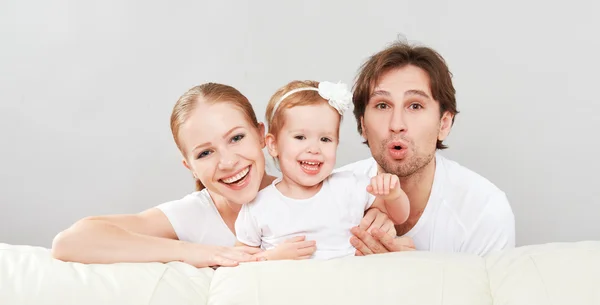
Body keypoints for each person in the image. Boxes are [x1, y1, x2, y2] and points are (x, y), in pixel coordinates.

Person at [51, 82, 402, 268]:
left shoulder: (320, 187)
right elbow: (72, 241)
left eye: (236, 138)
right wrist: (200, 253)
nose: (228, 162)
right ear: (190, 166)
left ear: (264, 136)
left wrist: (378, 214)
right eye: (205, 153)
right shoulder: (195, 214)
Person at [343, 40, 516, 256]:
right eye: (382, 105)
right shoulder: (328, 195)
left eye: (415, 106)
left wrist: (413, 271)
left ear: (443, 124)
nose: (397, 125)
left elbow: (482, 291)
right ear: (362, 126)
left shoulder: (483, 209)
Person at [234, 80, 410, 260]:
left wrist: (393, 195)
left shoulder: (349, 185)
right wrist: (271, 257)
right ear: (273, 145)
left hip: (347, 284)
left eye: (325, 139)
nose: (314, 148)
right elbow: (242, 260)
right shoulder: (259, 206)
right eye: (300, 137)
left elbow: (400, 217)